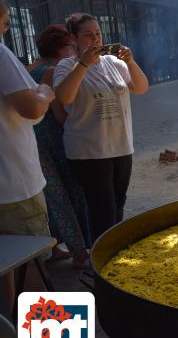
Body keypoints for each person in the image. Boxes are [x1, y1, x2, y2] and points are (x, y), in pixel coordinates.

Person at [53, 13, 149, 243]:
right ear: (74, 38)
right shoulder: (66, 66)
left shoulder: (113, 63)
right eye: (88, 34)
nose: (95, 39)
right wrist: (84, 64)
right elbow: (64, 97)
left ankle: (114, 254)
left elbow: (141, 88)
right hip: (89, 151)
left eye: (98, 33)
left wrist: (131, 62)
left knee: (118, 204)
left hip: (121, 146)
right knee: (102, 211)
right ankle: (101, 263)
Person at [0, 0, 55, 312]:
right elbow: (32, 107)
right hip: (15, 187)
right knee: (32, 274)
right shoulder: (1, 54)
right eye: (5, 22)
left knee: (7, 271)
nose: (6, 30)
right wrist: (45, 92)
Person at [28, 24, 91, 268]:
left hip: (33, 142)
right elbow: (59, 113)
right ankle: (79, 253)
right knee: (67, 196)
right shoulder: (52, 71)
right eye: (70, 46)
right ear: (59, 48)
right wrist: (79, 133)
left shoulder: (30, 67)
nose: (74, 50)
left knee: (49, 197)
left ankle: (54, 248)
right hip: (53, 142)